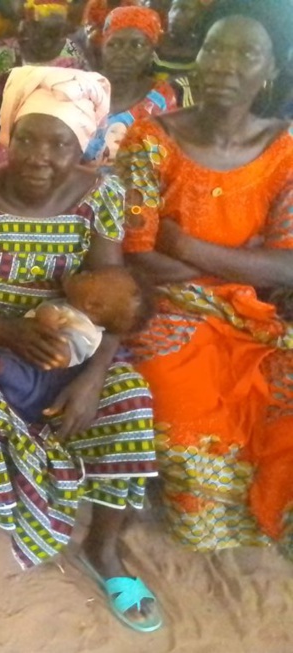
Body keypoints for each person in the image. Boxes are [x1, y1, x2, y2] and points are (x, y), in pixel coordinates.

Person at [0, 67, 162, 653]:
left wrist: (95, 377)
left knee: (131, 397)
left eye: (60, 144)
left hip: (72, 350)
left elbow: (116, 297)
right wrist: (8, 331)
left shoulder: (99, 197)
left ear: (85, 147)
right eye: (27, 138)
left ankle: (104, 548)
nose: (40, 157)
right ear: (7, 135)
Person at [118, 0, 293, 563]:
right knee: (189, 426)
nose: (224, 63)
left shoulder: (285, 150)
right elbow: (137, 259)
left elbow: (288, 266)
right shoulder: (149, 140)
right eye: (215, 47)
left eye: (246, 53)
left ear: (271, 69)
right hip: (160, 311)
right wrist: (244, 256)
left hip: (251, 317)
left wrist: (185, 244)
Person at [0, 266, 151, 423]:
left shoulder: (87, 332)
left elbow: (61, 356)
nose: (83, 271)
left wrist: (50, 329)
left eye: (90, 276)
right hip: (21, 353)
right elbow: (48, 309)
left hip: (36, 382)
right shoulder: (70, 306)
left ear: (92, 305)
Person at [83, 6, 177, 168]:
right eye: (114, 44)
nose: (123, 54)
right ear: (103, 47)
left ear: (152, 51)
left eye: (137, 45)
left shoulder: (161, 98)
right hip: (78, 189)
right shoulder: (83, 89)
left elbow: (161, 163)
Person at [0, 0, 90, 149]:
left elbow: (84, 100)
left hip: (58, 132)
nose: (49, 41)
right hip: (14, 133)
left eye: (56, 34)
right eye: (44, 32)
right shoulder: (7, 53)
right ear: (28, 26)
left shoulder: (71, 52)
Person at [153, 0, 209, 107]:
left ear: (198, 16)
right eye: (174, 8)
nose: (176, 15)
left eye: (185, 9)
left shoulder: (201, 50)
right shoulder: (155, 44)